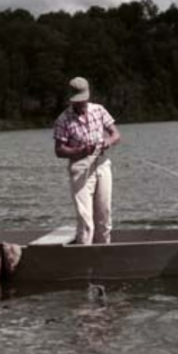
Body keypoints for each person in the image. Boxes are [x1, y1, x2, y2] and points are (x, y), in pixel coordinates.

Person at [52, 77, 122, 245]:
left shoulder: (99, 110)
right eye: (77, 101)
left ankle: (104, 253)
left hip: (102, 164)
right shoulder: (63, 120)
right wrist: (80, 151)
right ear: (71, 100)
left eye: (83, 100)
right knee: (86, 221)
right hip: (80, 167)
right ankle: (84, 256)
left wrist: (107, 142)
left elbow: (116, 134)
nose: (81, 103)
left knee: (104, 216)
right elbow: (59, 150)